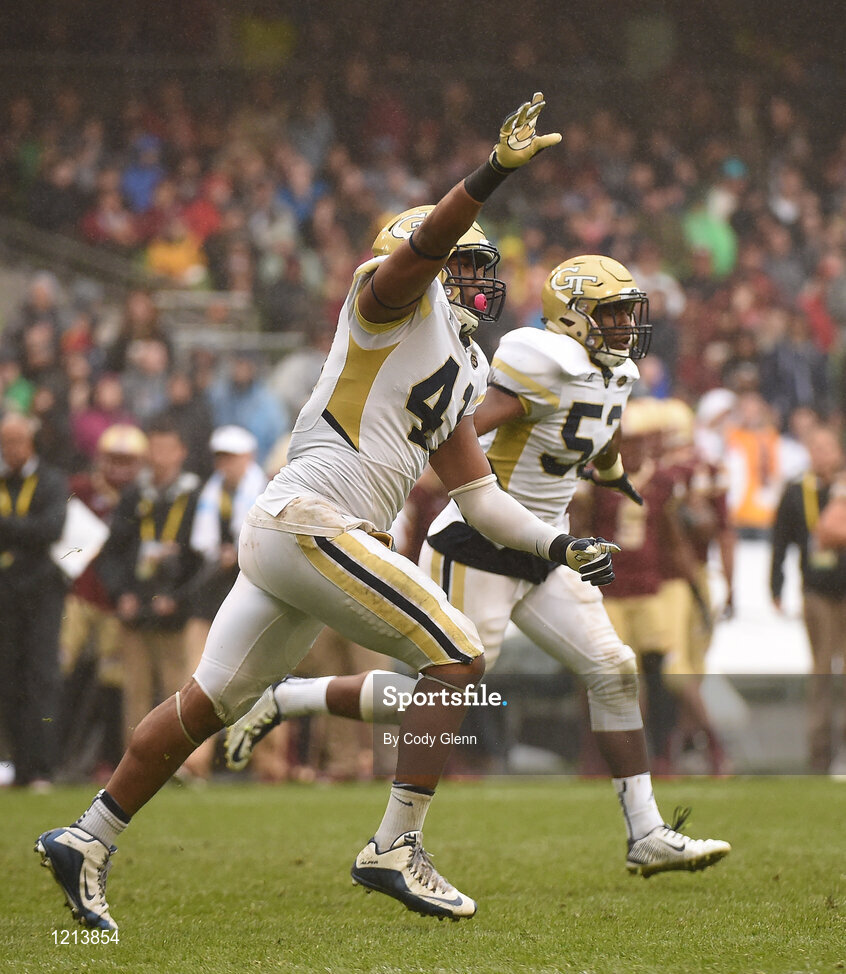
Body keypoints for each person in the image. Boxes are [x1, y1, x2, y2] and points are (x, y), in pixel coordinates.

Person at [36, 93, 618, 930]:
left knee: (211, 702)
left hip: (299, 531)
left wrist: (560, 547)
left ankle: (87, 836)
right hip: (314, 519)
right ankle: (394, 846)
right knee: (457, 655)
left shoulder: (461, 361)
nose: (480, 277)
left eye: (486, 264)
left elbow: (480, 497)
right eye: (467, 260)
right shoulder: (389, 304)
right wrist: (491, 174)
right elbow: (422, 247)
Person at [228, 257, 731, 877]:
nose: (627, 325)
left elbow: (596, 435)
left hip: (547, 551)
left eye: (630, 311)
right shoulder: (541, 361)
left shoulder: (616, 371)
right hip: (479, 545)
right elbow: (460, 428)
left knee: (614, 669)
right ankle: (290, 698)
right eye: (612, 313)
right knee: (443, 690)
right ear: (573, 318)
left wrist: (612, 477)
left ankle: (647, 832)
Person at [91, 416, 203, 747]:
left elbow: (203, 558)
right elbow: (109, 553)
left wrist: (180, 597)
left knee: (177, 691)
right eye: (154, 448)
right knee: (135, 694)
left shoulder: (196, 496)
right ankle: (134, 765)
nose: (160, 456)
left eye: (167, 449)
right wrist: (121, 593)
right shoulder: (134, 496)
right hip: (136, 609)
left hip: (175, 612)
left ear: (181, 452)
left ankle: (176, 761)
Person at [771, 425, 846, 772]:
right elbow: (781, 538)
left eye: (828, 446)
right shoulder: (797, 490)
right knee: (821, 671)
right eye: (816, 446)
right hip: (816, 589)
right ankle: (820, 754)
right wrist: (776, 583)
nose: (823, 454)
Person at [0, 412, 69, 788]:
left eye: (17, 442)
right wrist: (24, 532)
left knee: (41, 677)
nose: (11, 450)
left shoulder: (51, 480)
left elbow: (52, 528)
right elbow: (36, 529)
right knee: (8, 678)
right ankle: (17, 765)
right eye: (5, 442)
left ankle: (42, 766)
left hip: (42, 593)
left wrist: (8, 528)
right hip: (5, 594)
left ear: (30, 443)